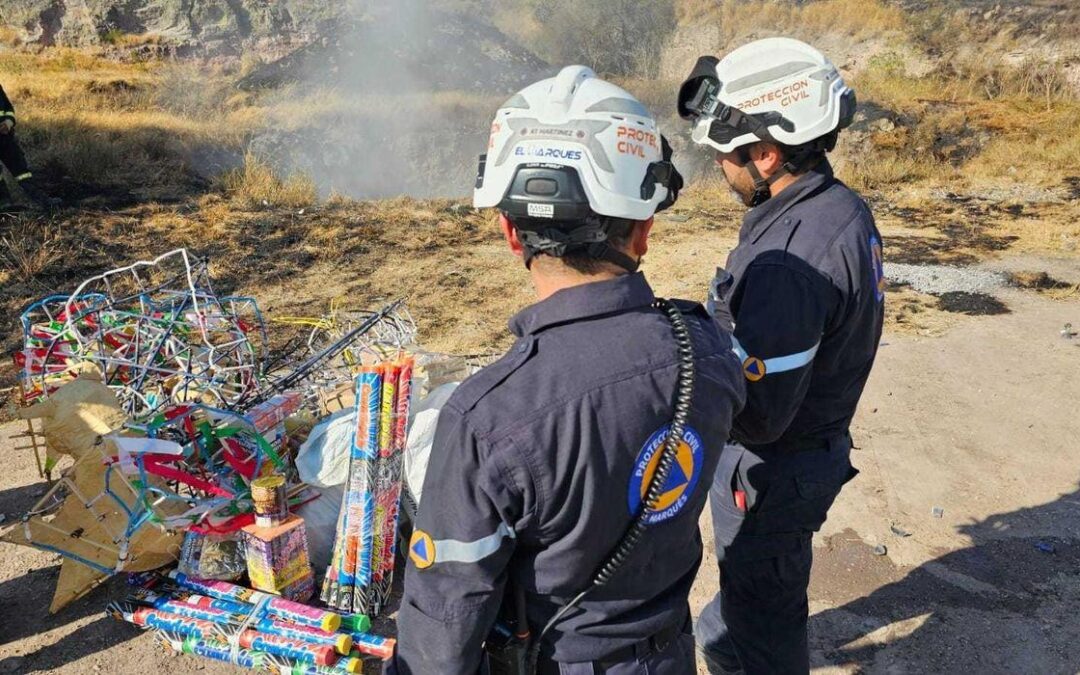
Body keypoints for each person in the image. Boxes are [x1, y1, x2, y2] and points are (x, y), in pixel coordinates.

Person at [391, 65, 746, 674]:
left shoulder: (487, 417)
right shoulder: (709, 351)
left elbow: (445, 620)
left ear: (509, 231)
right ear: (643, 230)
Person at [677, 38, 885, 674]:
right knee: (740, 609)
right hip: (808, 451)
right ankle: (723, 637)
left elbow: (760, 415)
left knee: (766, 629)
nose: (720, 168)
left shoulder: (794, 258)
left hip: (772, 472)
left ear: (766, 153)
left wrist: (691, 352)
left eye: (726, 155)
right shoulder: (838, 207)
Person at [0, 83, 51, 207]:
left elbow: (8, 109)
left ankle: (42, 200)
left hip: (5, 138)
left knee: (21, 169)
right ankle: (4, 204)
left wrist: (8, 122)